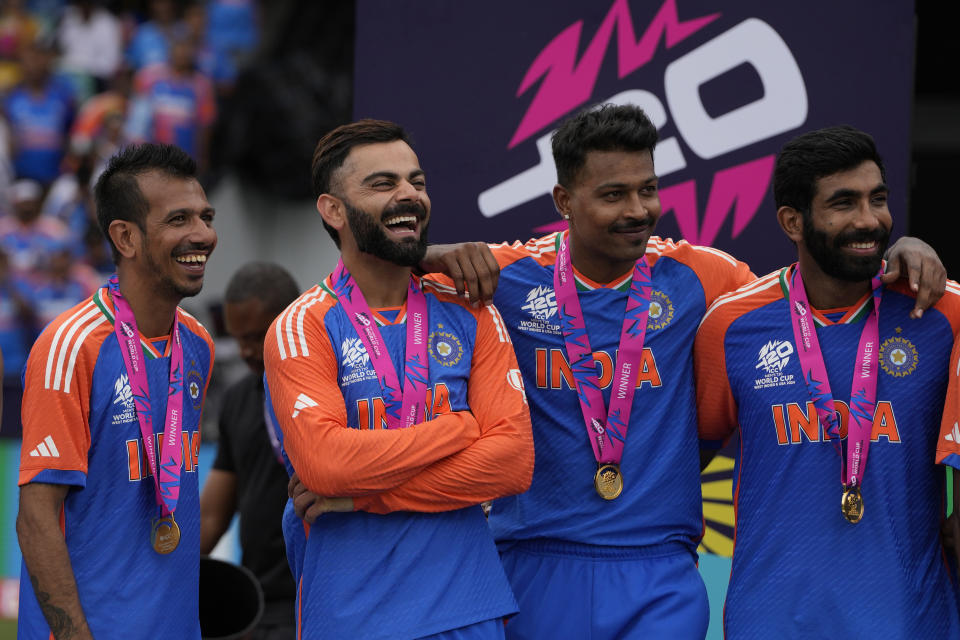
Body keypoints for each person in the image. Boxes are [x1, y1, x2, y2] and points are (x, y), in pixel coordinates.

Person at [413, 105, 946, 639]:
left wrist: (903, 249)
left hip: (661, 569)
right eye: (613, 194)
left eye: (648, 189)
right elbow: (378, 294)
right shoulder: (504, 277)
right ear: (563, 202)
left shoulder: (707, 277)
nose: (639, 209)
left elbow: (811, 290)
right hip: (534, 557)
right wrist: (424, 255)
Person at [263, 118, 534, 639]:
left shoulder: (471, 311)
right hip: (350, 612)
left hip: (466, 608)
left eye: (417, 182)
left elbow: (511, 464)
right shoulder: (302, 326)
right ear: (333, 210)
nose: (408, 195)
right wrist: (457, 430)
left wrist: (365, 496)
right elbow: (325, 465)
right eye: (382, 184)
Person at [695, 125, 960, 637]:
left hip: (910, 620)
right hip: (770, 620)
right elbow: (683, 463)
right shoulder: (730, 326)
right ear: (793, 222)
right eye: (844, 203)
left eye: (877, 199)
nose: (869, 220)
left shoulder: (942, 312)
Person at [16, 142, 217, 639]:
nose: (204, 235)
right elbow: (36, 518)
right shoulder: (70, 347)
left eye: (205, 216)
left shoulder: (198, 343)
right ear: (125, 237)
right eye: (179, 219)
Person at [200, 261, 299, 639]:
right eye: (238, 338)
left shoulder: (334, 390)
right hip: (259, 602)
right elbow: (212, 517)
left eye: (258, 337)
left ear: (293, 318)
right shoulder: (239, 398)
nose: (246, 352)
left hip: (318, 593)